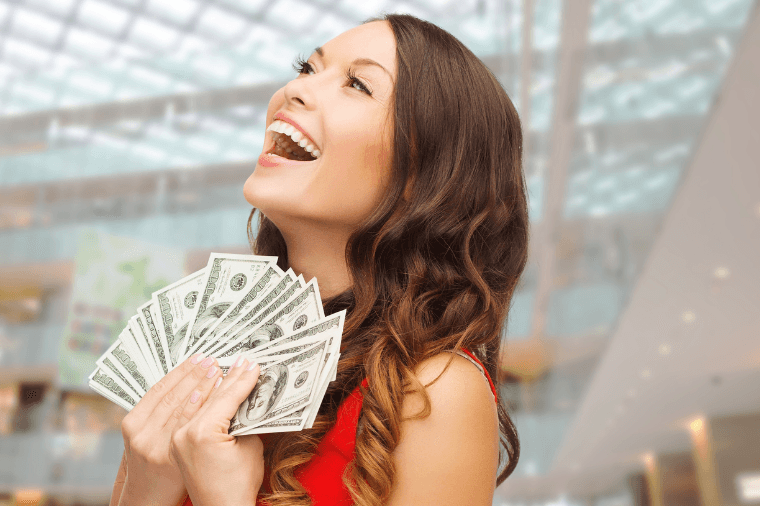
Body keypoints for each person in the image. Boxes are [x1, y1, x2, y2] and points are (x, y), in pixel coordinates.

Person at [111, 13, 526, 506]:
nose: (296, 89)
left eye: (357, 84)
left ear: (425, 174)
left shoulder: (435, 390)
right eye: (306, 68)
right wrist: (145, 488)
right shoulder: (205, 360)